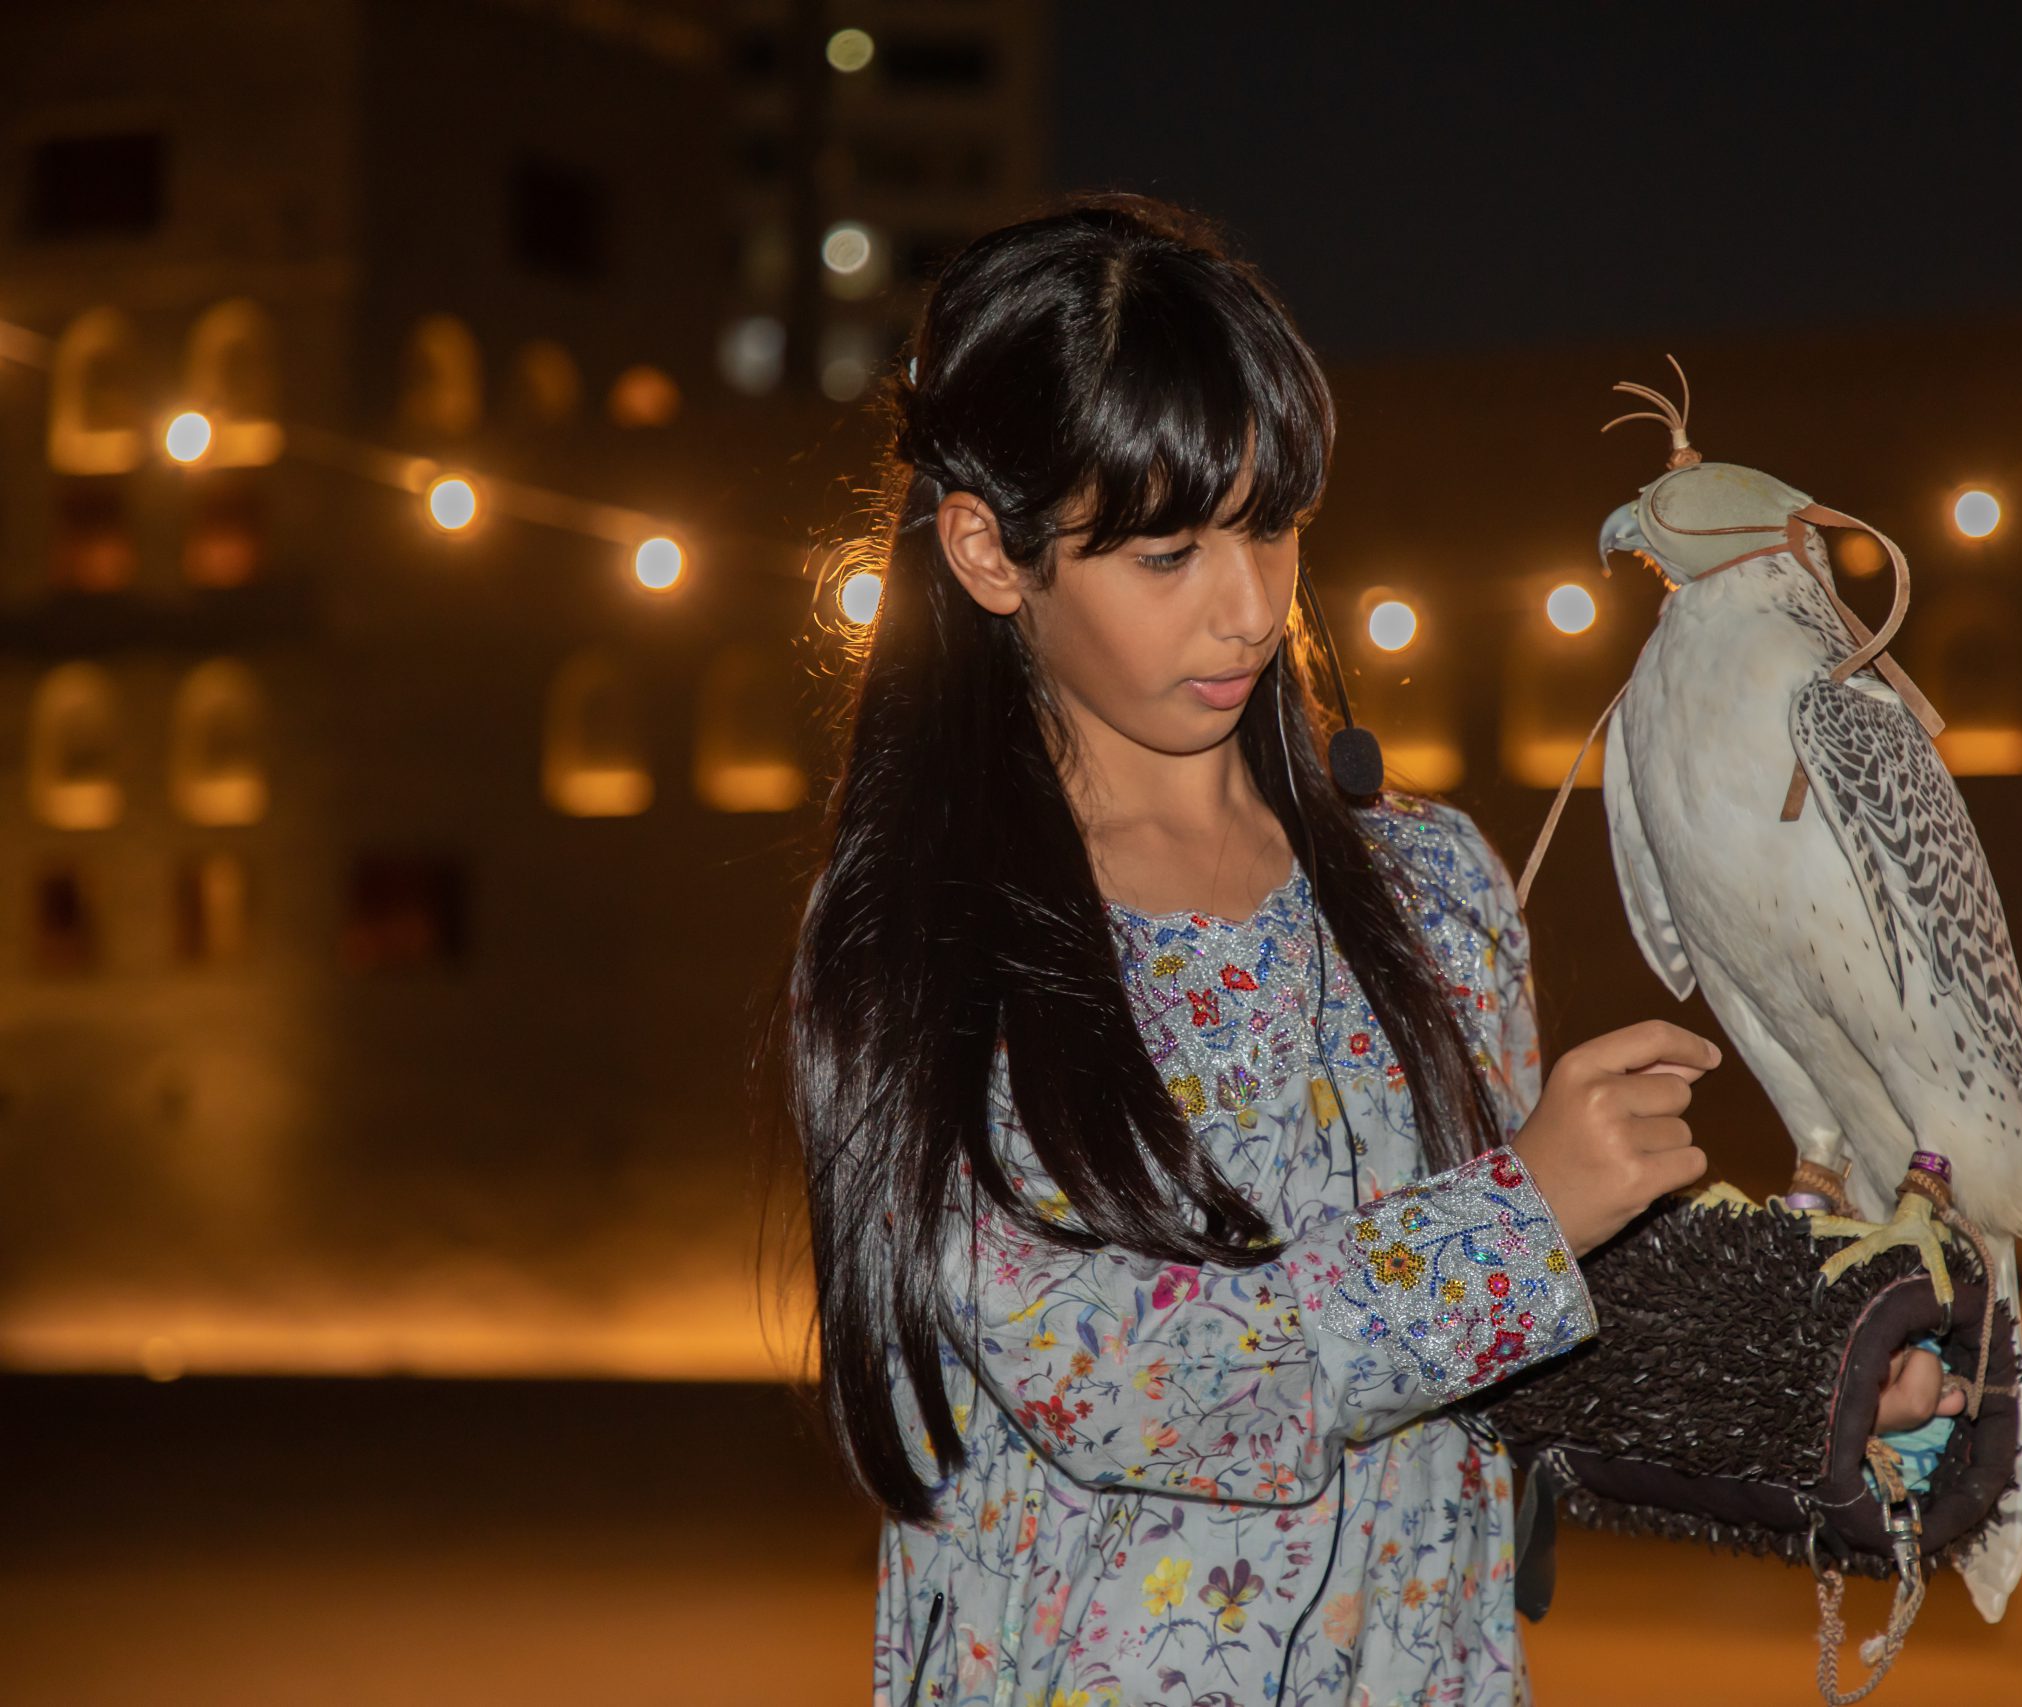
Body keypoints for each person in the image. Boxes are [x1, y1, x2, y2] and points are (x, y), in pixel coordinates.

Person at [780, 192, 1955, 1707]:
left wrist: (1831, 1358)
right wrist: (1522, 1217)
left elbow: (1512, 1353)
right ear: (990, 553)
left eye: (1271, 525)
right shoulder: (930, 932)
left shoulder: (1430, 885)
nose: (1248, 604)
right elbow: (1120, 1382)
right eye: (1166, 552)